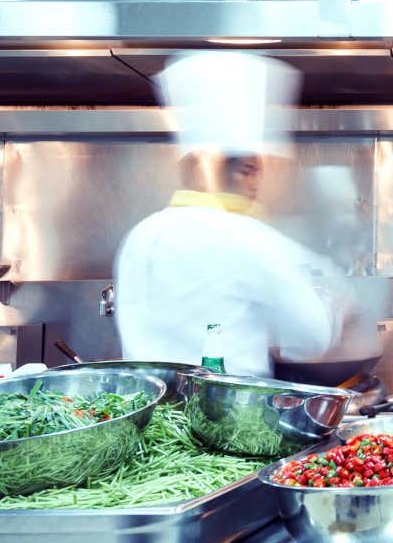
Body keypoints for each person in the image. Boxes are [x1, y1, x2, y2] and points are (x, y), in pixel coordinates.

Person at [114, 52, 340, 378]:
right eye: (249, 170)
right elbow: (311, 339)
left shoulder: (141, 234)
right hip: (231, 408)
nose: (256, 184)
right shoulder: (248, 237)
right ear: (218, 168)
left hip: (151, 408)